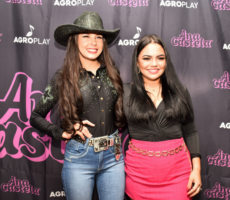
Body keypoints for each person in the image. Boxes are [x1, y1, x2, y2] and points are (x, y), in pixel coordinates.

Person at [29, 11, 126, 200]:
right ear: (74, 40)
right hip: (80, 157)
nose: (94, 43)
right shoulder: (62, 77)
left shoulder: (113, 73)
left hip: (113, 157)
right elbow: (35, 116)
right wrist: (62, 132)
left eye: (99, 37)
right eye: (86, 36)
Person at [123, 34, 202, 200]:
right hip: (138, 176)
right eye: (146, 58)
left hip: (179, 175)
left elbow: (191, 131)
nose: (154, 64)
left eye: (160, 58)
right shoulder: (124, 93)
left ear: (166, 62)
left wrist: (196, 169)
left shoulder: (180, 91)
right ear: (137, 62)